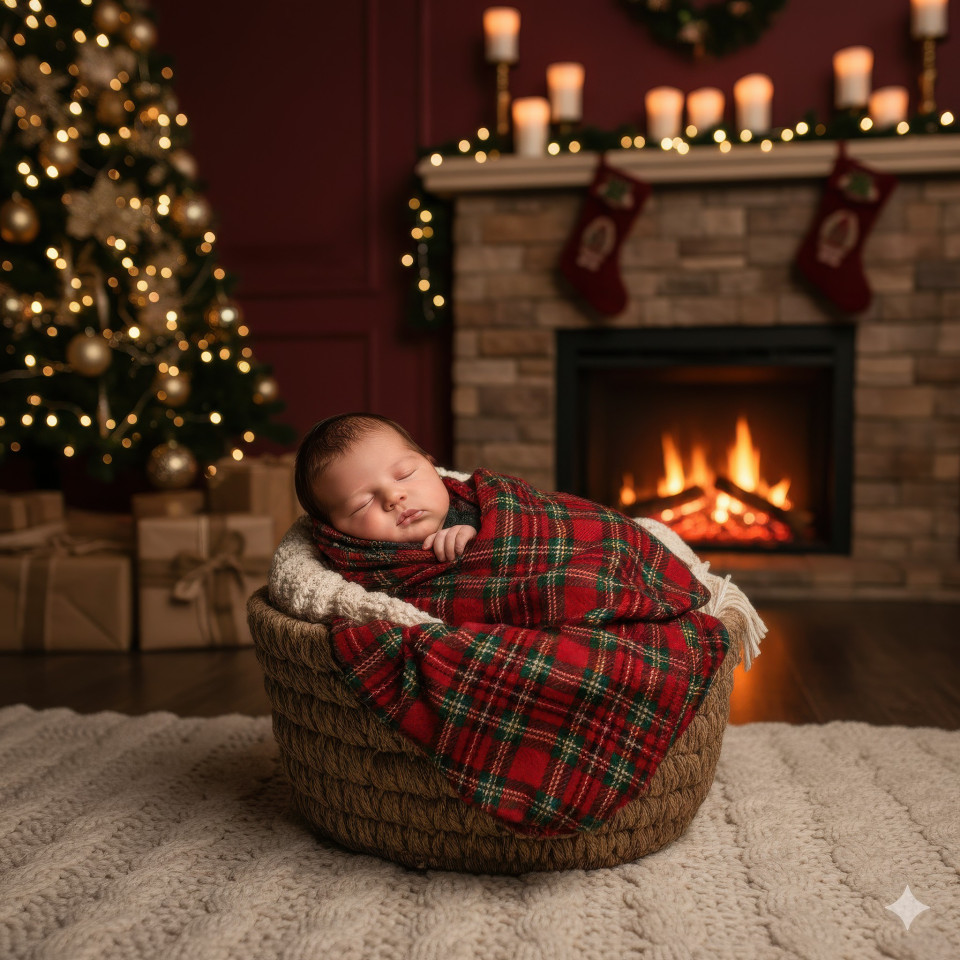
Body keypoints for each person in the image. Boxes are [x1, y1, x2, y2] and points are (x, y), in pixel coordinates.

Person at [294, 412, 479, 562]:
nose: (393, 496)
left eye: (405, 474)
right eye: (363, 503)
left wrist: (477, 537)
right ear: (333, 529)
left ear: (432, 466)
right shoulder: (348, 564)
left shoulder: (478, 505)